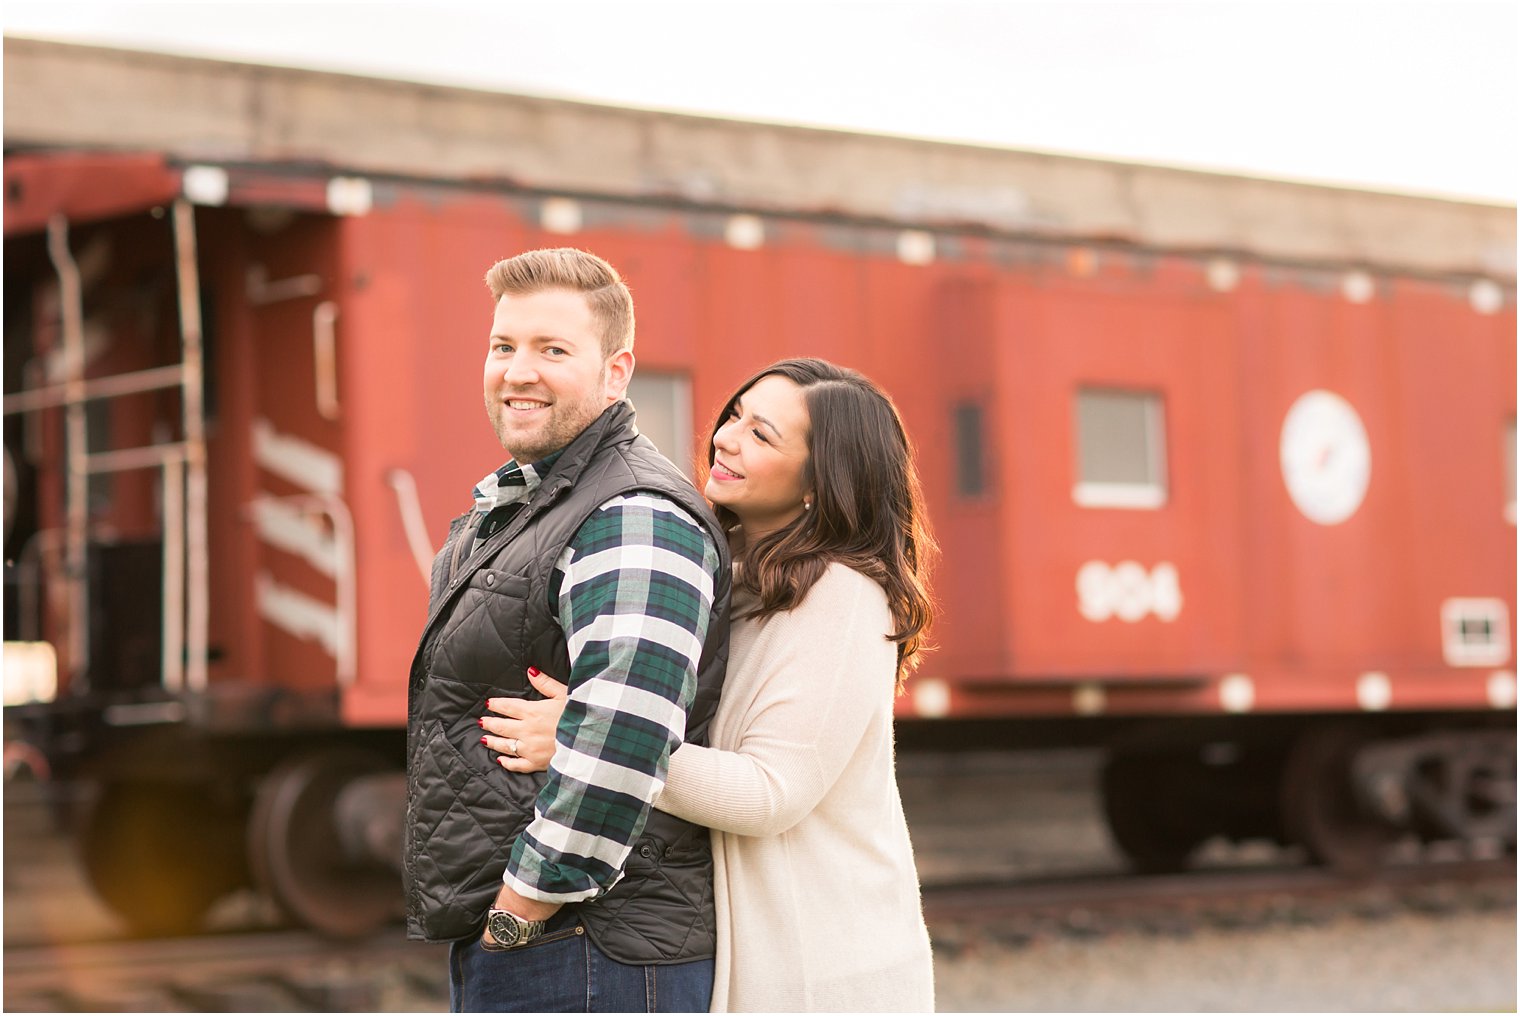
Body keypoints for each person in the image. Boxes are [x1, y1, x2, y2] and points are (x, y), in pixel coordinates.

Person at [482, 358, 939, 1012]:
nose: (725, 437)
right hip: (761, 958)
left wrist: (596, 741)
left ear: (820, 481)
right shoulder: (740, 580)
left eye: (763, 434)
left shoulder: (843, 597)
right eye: (734, 417)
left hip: (824, 973)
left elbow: (769, 793)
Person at [404, 247, 733, 1013]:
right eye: (503, 346)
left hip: (591, 950)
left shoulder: (631, 512)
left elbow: (626, 729)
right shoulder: (533, 502)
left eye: (553, 349)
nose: (519, 371)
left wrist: (521, 911)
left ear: (616, 373)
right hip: (562, 947)